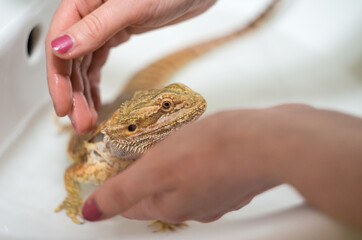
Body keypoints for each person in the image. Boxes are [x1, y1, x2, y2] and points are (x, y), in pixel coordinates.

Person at [46, 0, 362, 229]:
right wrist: (74, 199)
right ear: (131, 129)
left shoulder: (144, 142)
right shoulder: (99, 167)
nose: (184, 105)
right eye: (167, 108)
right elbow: (71, 175)